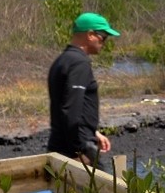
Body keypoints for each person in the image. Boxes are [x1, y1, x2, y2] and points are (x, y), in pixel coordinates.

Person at [48, 12, 119, 167]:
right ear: (91, 35)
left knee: (65, 191)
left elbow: (67, 106)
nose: (104, 42)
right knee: (104, 190)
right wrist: (81, 149)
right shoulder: (79, 63)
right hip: (75, 152)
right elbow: (70, 109)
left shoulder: (62, 60)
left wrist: (93, 133)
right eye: (103, 37)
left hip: (60, 145)